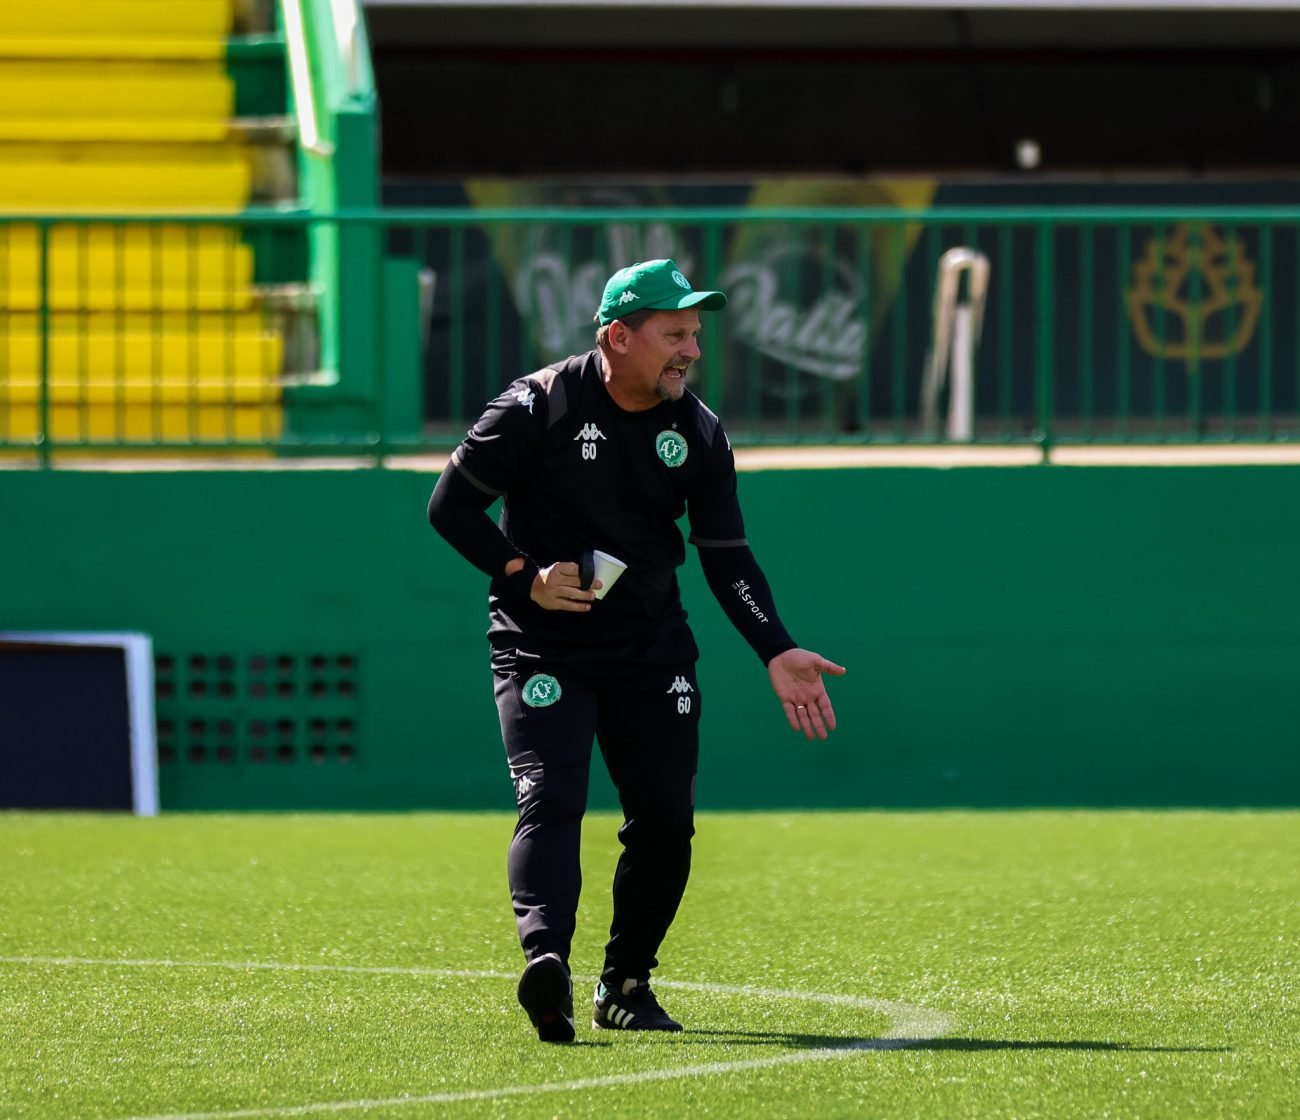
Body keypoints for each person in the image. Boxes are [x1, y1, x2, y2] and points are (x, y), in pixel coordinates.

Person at [427, 258, 845, 1042]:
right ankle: (545, 964)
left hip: (651, 650)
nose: (691, 350)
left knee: (665, 819)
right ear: (618, 336)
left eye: (696, 334)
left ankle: (625, 983)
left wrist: (775, 648)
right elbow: (450, 507)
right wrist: (524, 576)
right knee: (550, 800)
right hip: (540, 644)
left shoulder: (698, 431)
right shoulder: (536, 405)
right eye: (674, 334)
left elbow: (726, 553)